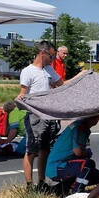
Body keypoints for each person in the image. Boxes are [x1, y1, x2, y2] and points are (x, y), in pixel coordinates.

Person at [18, 41, 64, 189]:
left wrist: (81, 77)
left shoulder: (49, 69)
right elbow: (23, 94)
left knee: (45, 149)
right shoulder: (28, 71)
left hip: (48, 115)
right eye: (51, 56)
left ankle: (42, 181)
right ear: (43, 53)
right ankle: (29, 184)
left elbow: (62, 85)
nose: (52, 60)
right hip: (35, 116)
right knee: (31, 150)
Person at [44, 115, 99, 194]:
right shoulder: (79, 127)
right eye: (98, 116)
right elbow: (78, 152)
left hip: (61, 166)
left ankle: (68, 187)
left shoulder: (80, 126)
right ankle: (77, 191)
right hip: (57, 168)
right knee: (88, 164)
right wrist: (87, 152)